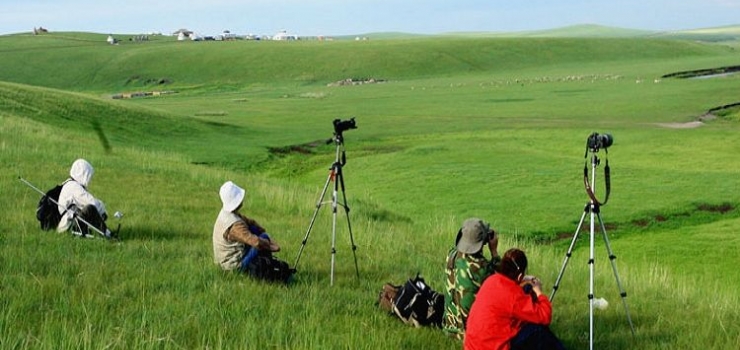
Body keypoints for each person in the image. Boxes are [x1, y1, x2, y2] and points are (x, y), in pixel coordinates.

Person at [464, 248, 565, 350]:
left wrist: (523, 279)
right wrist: (539, 292)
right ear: (520, 275)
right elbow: (545, 316)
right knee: (539, 330)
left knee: (526, 290)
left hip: (473, 345)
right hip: (493, 346)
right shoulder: (513, 296)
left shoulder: (491, 280)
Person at [212, 181, 290, 281]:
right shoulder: (235, 226)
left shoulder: (226, 214)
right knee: (263, 239)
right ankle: (267, 270)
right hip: (233, 266)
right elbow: (256, 242)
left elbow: (249, 222)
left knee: (256, 231)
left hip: (223, 260)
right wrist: (271, 245)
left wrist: (260, 230)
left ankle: (263, 265)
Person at [443, 218, 501, 340]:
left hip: (449, 324)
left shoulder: (451, 254)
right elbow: (503, 282)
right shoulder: (482, 267)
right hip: (467, 332)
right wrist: (494, 251)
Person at [56, 158, 113, 238]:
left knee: (88, 209)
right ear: (82, 174)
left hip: (70, 221)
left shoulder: (71, 184)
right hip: (68, 225)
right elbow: (91, 202)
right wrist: (102, 211)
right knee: (90, 209)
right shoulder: (74, 187)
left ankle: (105, 233)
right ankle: (108, 235)